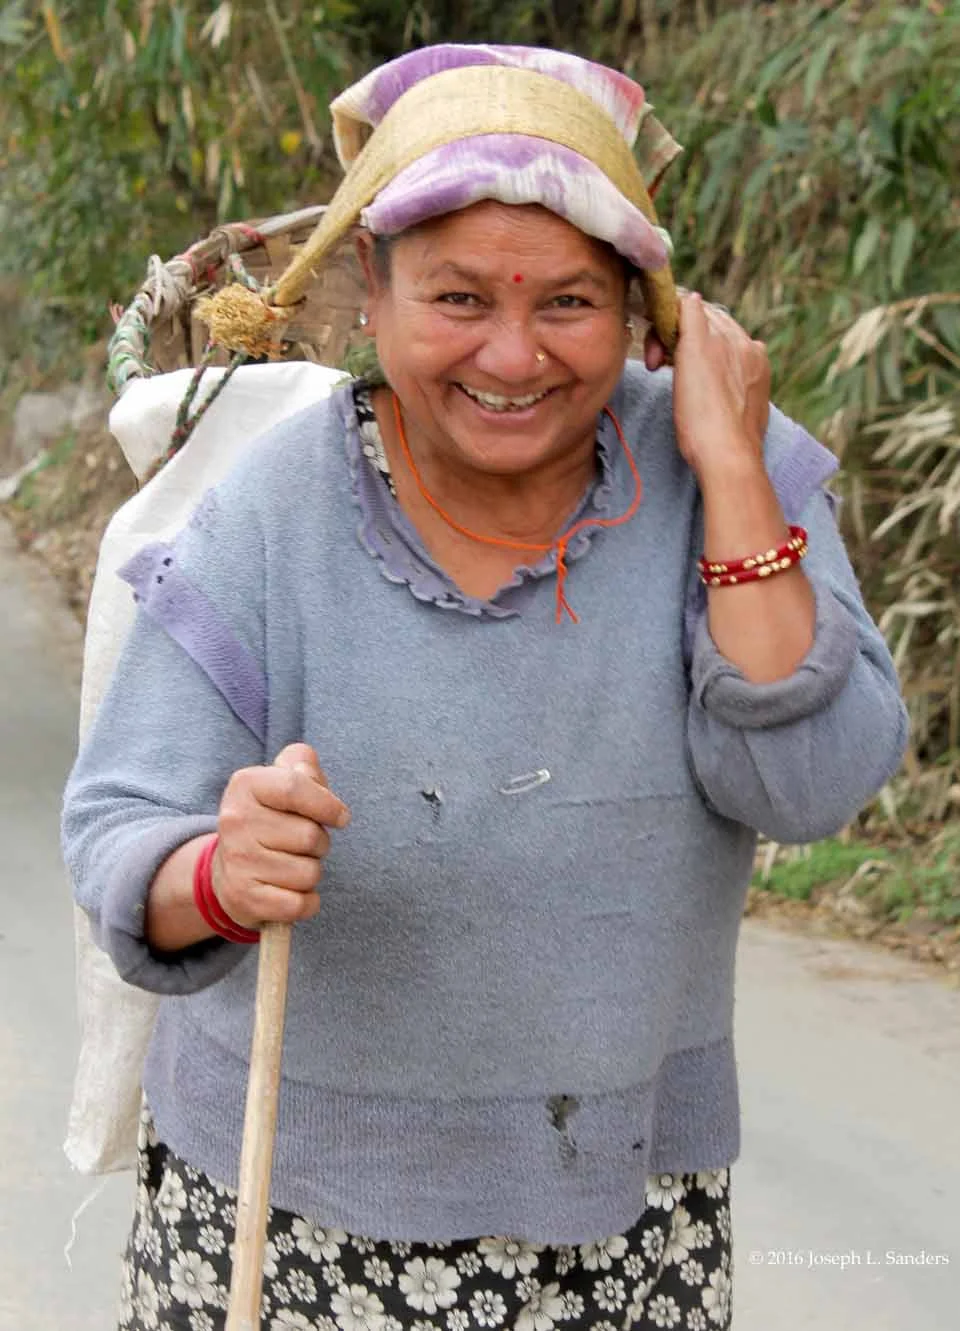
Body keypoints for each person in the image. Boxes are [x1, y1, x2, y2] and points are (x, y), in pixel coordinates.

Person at [63, 43, 908, 1331]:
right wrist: (218, 875)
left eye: (568, 303)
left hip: (623, 1217)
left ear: (640, 308)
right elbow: (121, 827)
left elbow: (805, 783)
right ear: (371, 297)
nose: (513, 359)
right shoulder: (271, 512)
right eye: (458, 299)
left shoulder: (725, 468)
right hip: (284, 1214)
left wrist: (732, 468)